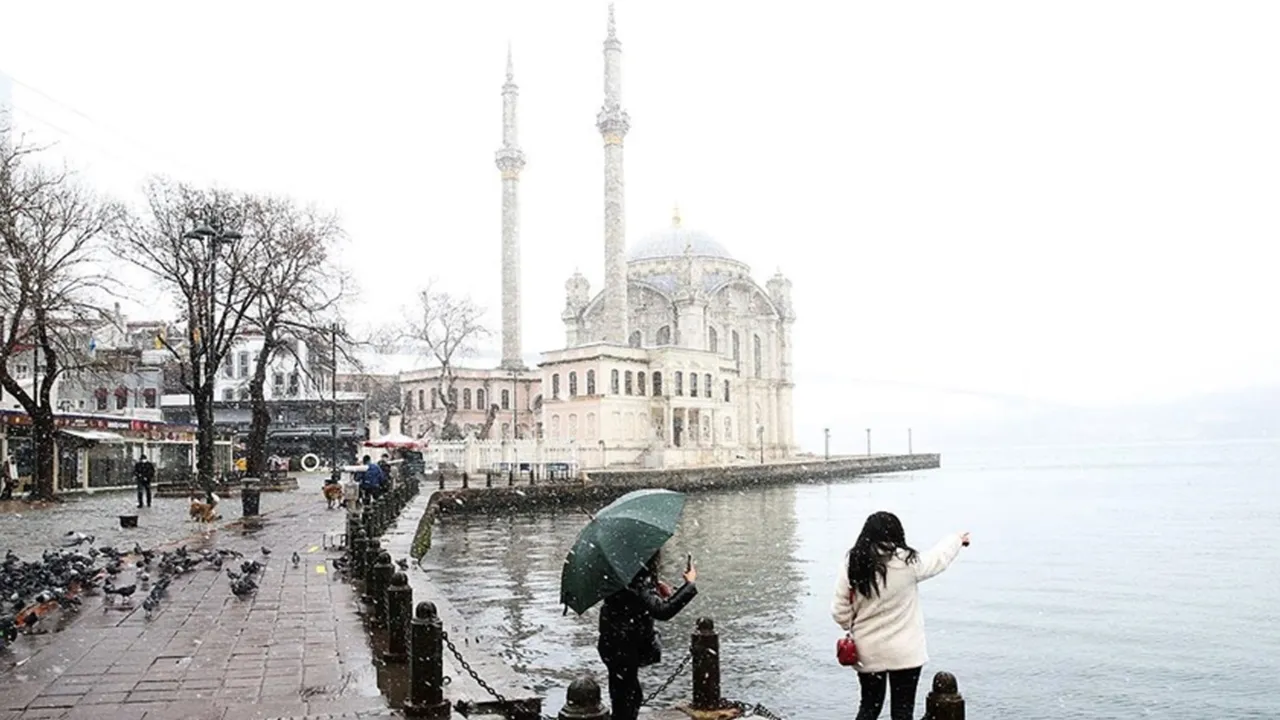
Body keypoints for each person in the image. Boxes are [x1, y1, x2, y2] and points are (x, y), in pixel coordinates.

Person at [831, 512, 969, 720]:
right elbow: (938, 559)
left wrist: (853, 625)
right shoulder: (908, 563)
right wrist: (957, 539)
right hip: (905, 652)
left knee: (869, 707)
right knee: (903, 711)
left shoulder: (853, 563)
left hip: (869, 651)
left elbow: (840, 611)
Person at [598, 549, 698, 720]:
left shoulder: (619, 569)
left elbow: (631, 599)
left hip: (612, 642)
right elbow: (662, 611)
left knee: (624, 695)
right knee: (628, 700)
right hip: (626, 646)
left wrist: (654, 586)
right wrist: (689, 585)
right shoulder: (638, 577)